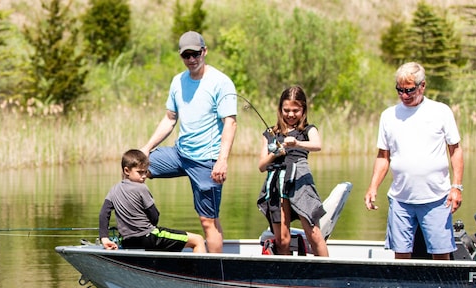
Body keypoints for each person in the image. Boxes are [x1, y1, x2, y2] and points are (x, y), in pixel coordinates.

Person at [139, 31, 237, 253]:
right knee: (136, 166)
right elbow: (170, 119)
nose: (192, 60)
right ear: (181, 56)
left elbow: (230, 123)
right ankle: (137, 229)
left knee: (208, 221)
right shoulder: (178, 81)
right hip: (180, 154)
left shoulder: (221, 82)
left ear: (204, 51)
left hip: (207, 161)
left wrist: (222, 160)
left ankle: (215, 273)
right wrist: (146, 148)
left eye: (195, 54)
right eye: (186, 55)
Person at [364, 62, 464, 260]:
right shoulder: (388, 116)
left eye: (409, 90)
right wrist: (373, 186)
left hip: (437, 198)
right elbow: (383, 156)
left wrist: (456, 187)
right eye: (399, 90)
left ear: (422, 86)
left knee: (441, 253)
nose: (404, 95)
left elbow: (455, 150)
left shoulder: (440, 112)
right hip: (401, 199)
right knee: (401, 254)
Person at [257, 85, 328, 256]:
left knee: (314, 234)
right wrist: (275, 153)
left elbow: (317, 145)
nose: (290, 114)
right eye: (286, 110)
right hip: (276, 185)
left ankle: (326, 273)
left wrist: (296, 143)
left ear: (303, 109)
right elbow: (261, 166)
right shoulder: (270, 133)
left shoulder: (308, 130)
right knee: (282, 239)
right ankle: (288, 277)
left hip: (300, 182)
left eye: (295, 110)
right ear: (280, 109)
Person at [99, 149, 206, 252]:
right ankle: (202, 271)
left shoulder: (113, 190)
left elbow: (104, 213)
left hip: (127, 241)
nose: (144, 176)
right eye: (140, 172)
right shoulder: (141, 188)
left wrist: (104, 237)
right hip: (148, 237)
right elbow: (154, 215)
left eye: (146, 172)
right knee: (198, 240)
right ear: (126, 170)